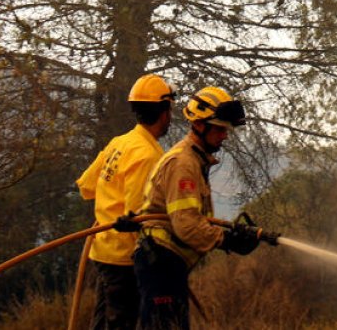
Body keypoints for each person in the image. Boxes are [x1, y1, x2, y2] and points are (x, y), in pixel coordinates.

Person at [134, 86, 261, 330]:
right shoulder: (183, 164)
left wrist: (232, 233)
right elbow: (187, 225)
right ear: (200, 125)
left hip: (168, 263)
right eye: (220, 128)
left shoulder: (194, 161)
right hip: (161, 262)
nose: (224, 135)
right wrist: (226, 240)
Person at [76, 74, 174, 330]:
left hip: (103, 250)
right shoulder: (149, 155)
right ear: (164, 112)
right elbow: (137, 216)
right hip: (124, 259)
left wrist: (109, 203)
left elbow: (86, 186)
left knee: (103, 322)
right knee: (119, 324)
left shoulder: (120, 143)